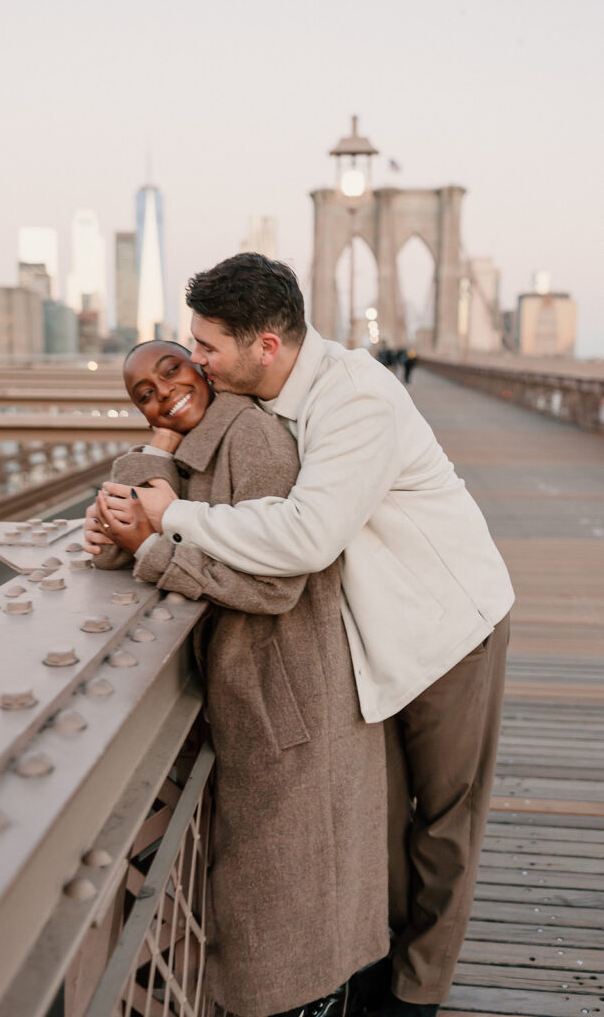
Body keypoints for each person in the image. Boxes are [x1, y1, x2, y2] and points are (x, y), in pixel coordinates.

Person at [88, 254, 515, 1017]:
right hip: (364, 636)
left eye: (207, 347)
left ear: (267, 347)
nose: (196, 362)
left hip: (447, 629)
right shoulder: (257, 393)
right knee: (377, 821)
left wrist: (168, 521)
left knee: (443, 822)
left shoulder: (355, 400)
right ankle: (371, 963)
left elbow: (305, 539)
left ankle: (415, 994)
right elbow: (194, 460)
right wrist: (154, 448)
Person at [89, 340, 389, 1017]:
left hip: (290, 696)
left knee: (287, 897)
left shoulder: (251, 440)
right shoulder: (200, 442)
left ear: (202, 366)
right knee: (282, 895)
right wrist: (156, 449)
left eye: (173, 369)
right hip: (256, 693)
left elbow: (277, 588)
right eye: (144, 394)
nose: (162, 391)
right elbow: (124, 533)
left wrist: (152, 550)